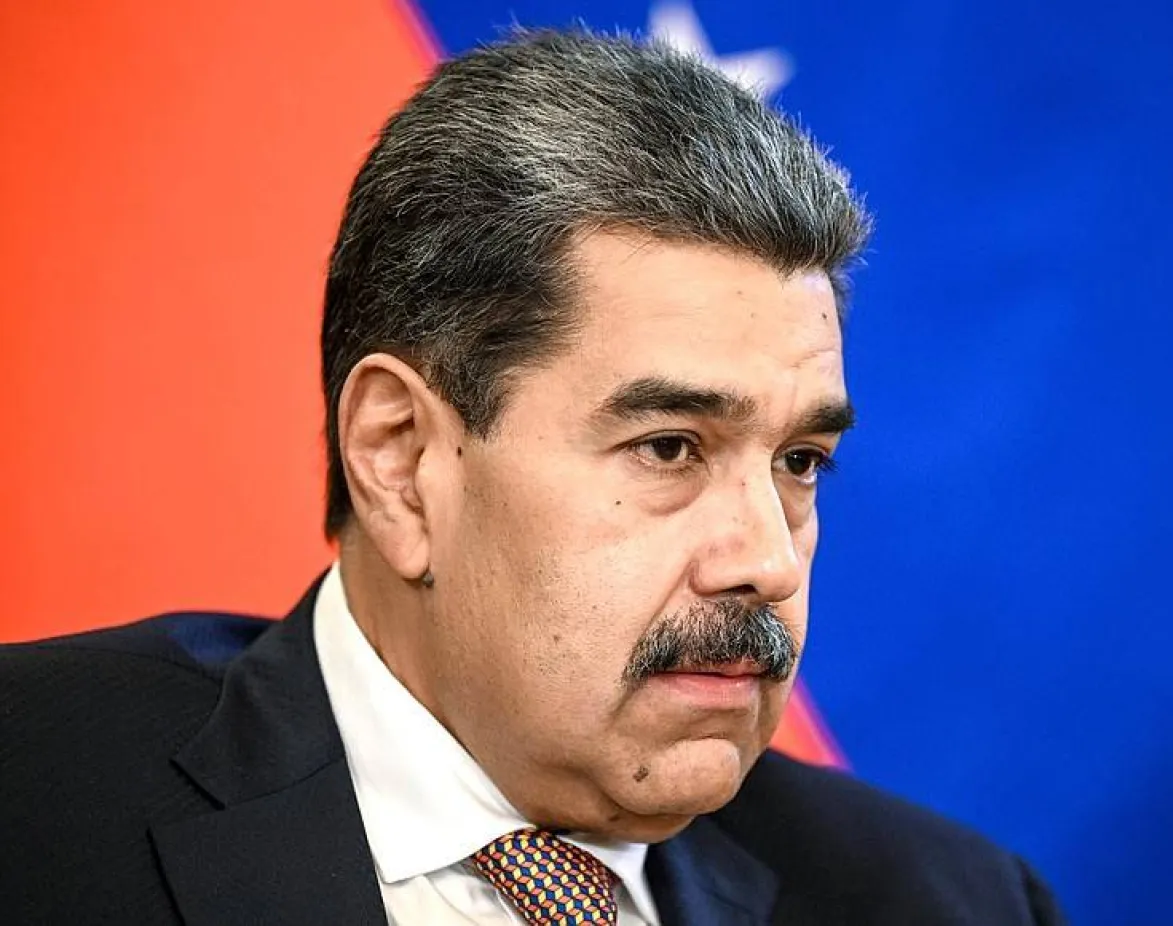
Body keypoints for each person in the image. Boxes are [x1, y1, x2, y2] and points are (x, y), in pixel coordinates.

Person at [0, 29, 1061, 926]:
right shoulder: (35, 798)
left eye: (798, 462)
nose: (767, 560)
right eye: (669, 446)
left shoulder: (944, 899)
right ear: (402, 462)